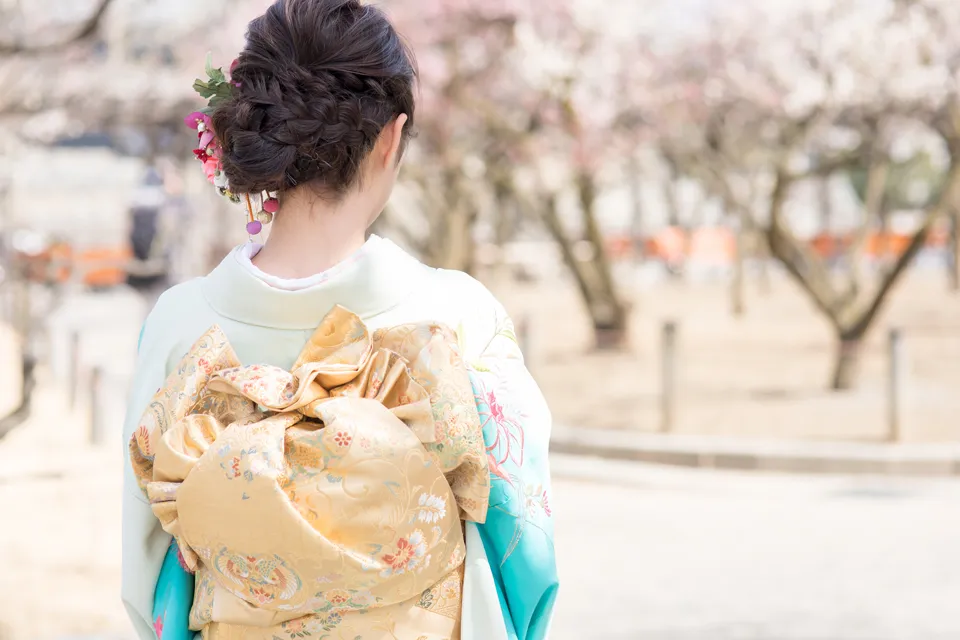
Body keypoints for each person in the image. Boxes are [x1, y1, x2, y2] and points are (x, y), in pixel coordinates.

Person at [120, 1, 558, 639]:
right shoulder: (459, 315)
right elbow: (524, 540)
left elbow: (146, 564)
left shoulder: (179, 323)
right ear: (389, 137)